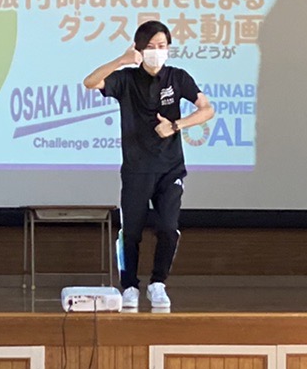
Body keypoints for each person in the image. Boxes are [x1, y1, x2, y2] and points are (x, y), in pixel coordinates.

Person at [84, 19, 215, 312]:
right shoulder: (127, 79)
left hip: (170, 168)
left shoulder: (178, 77)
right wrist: (121, 60)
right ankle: (129, 285)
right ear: (140, 49)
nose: (158, 52)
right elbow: (90, 82)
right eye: (151, 47)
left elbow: (207, 110)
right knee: (131, 231)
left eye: (162, 46)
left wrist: (176, 125)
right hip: (136, 168)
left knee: (168, 228)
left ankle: (158, 284)